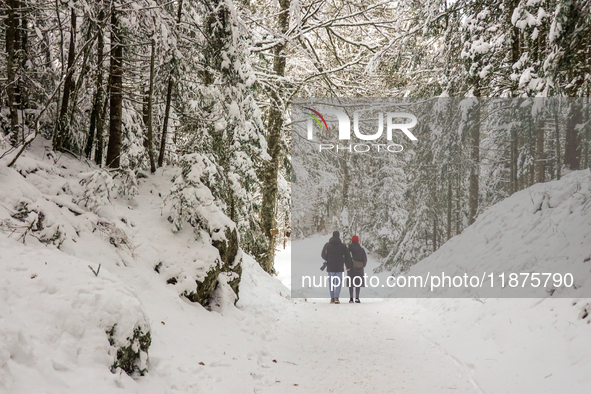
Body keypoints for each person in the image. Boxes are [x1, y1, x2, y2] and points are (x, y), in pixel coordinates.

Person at [321, 231, 350, 304]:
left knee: (331, 283)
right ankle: (336, 297)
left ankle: (332, 298)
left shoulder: (327, 245)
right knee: (338, 283)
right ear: (339, 236)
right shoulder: (343, 246)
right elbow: (347, 256)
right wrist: (347, 265)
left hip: (330, 267)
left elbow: (322, 254)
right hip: (339, 267)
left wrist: (327, 259)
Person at [346, 235, 367, 303]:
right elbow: (365, 259)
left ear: (352, 240)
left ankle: (351, 298)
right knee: (358, 283)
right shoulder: (361, 249)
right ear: (358, 241)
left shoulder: (349, 249)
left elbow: (346, 258)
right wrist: (362, 265)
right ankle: (357, 298)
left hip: (351, 268)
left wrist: (347, 266)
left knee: (351, 284)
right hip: (359, 268)